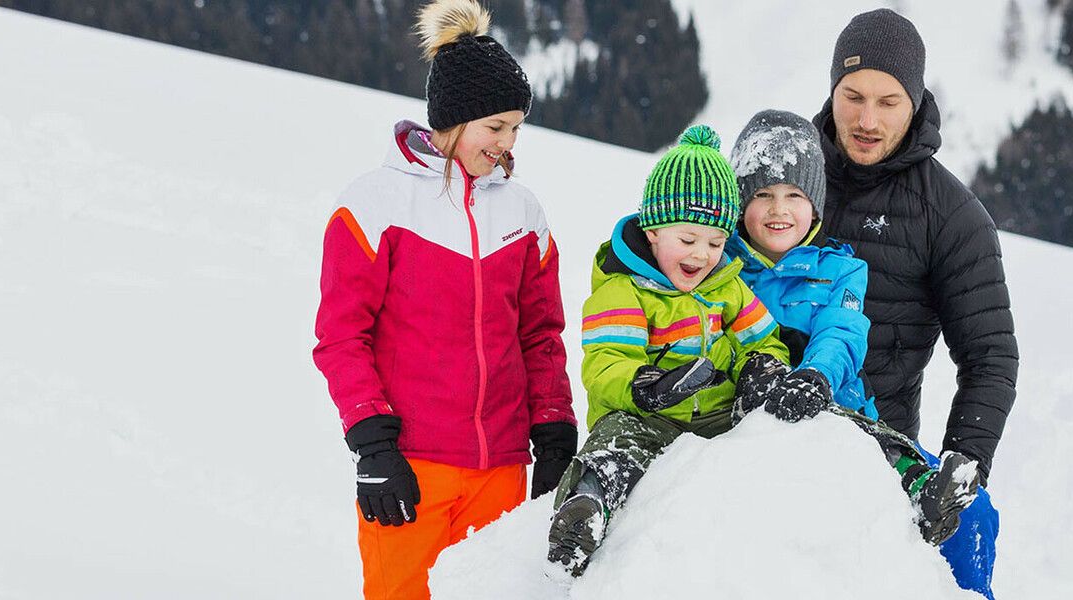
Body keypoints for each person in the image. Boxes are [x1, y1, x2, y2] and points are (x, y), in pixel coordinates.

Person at [311, 1, 575, 597]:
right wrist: (372, 442)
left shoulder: (524, 214)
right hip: (411, 465)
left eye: (516, 128)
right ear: (454, 120)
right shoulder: (376, 206)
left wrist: (554, 430)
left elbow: (540, 335)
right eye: (496, 127)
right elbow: (341, 338)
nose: (508, 143)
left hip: (502, 468)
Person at [729, 108, 998, 596]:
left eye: (794, 196)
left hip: (843, 410)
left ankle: (922, 498)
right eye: (762, 196)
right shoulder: (722, 268)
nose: (778, 209)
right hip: (749, 424)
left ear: (816, 205)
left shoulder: (843, 268)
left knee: (954, 503)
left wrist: (817, 374)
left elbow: (843, 331)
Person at [542, 125, 797, 577]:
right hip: (648, 419)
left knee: (803, 410)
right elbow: (605, 365)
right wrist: (646, 388)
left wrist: (763, 366)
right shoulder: (624, 290)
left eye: (716, 243)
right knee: (616, 442)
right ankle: (584, 512)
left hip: (718, 418)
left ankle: (906, 474)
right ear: (654, 230)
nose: (702, 255)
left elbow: (765, 338)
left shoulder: (728, 286)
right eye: (688, 239)